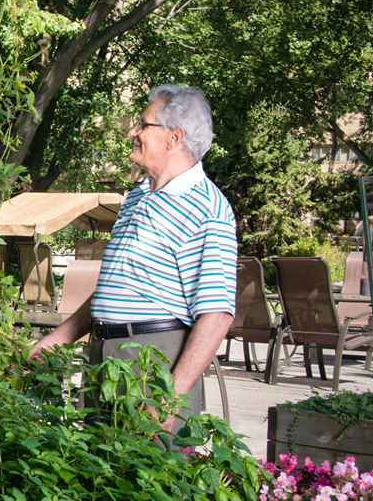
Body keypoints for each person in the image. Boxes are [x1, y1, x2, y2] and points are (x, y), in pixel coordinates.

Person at [31, 84, 237, 429]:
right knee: (99, 476)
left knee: (150, 476)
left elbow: (216, 315)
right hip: (104, 353)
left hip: (154, 360)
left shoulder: (206, 208)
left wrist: (171, 395)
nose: (132, 132)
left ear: (174, 138)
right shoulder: (139, 196)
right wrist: (61, 336)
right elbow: (119, 287)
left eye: (143, 125)